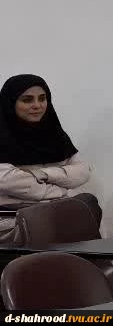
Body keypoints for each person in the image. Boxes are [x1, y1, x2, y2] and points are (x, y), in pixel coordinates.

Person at [0, 74, 95, 244]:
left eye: (42, 98)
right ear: (10, 102)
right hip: (11, 217)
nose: (37, 105)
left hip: (52, 210)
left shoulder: (54, 133)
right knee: (70, 215)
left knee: (88, 203)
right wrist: (61, 191)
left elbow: (83, 171)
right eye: (27, 100)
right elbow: (7, 180)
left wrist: (42, 174)